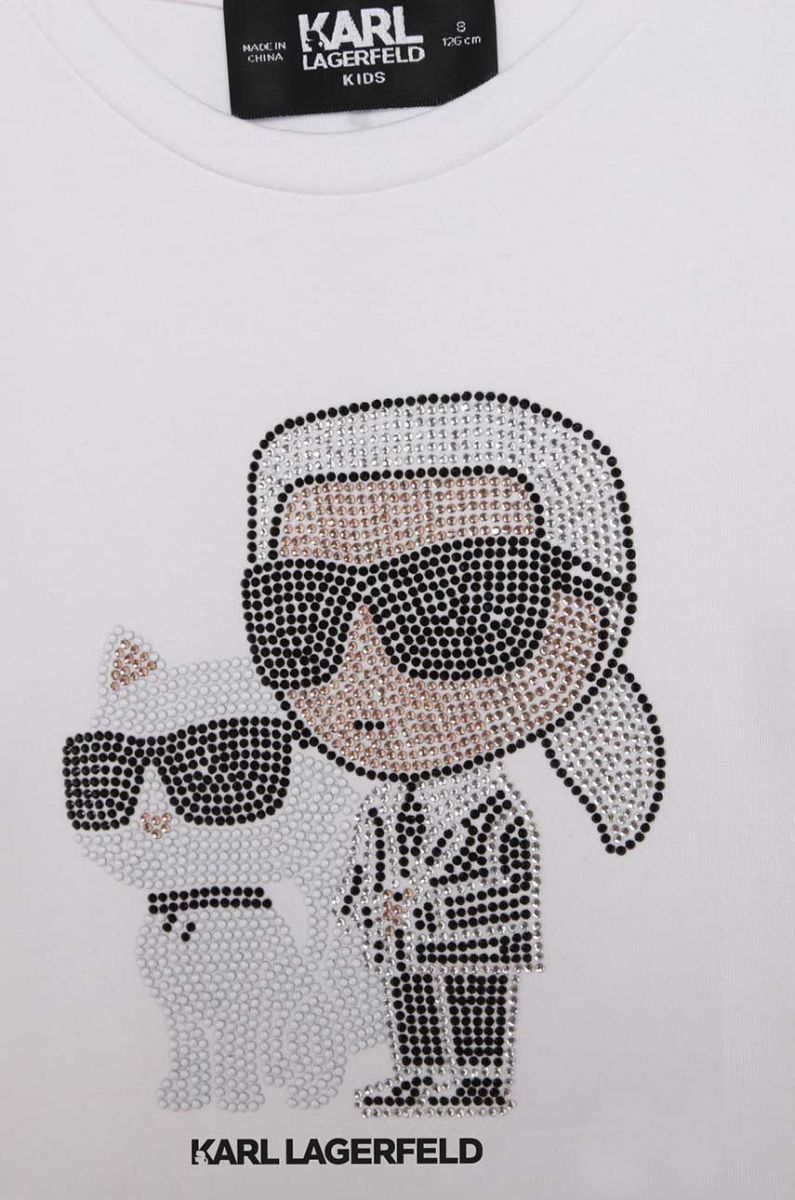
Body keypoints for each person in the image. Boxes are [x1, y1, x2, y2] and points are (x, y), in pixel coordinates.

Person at [242, 391, 666, 1115]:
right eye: (304, 615)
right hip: (397, 935)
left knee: (473, 999)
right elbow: (362, 869)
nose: (365, 664)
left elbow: (508, 878)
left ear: (587, 623)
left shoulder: (497, 812)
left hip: (471, 938)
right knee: (407, 995)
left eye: (457, 607)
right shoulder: (375, 809)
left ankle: (477, 1074)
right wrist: (360, 911)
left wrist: (433, 906)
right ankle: (418, 1068)